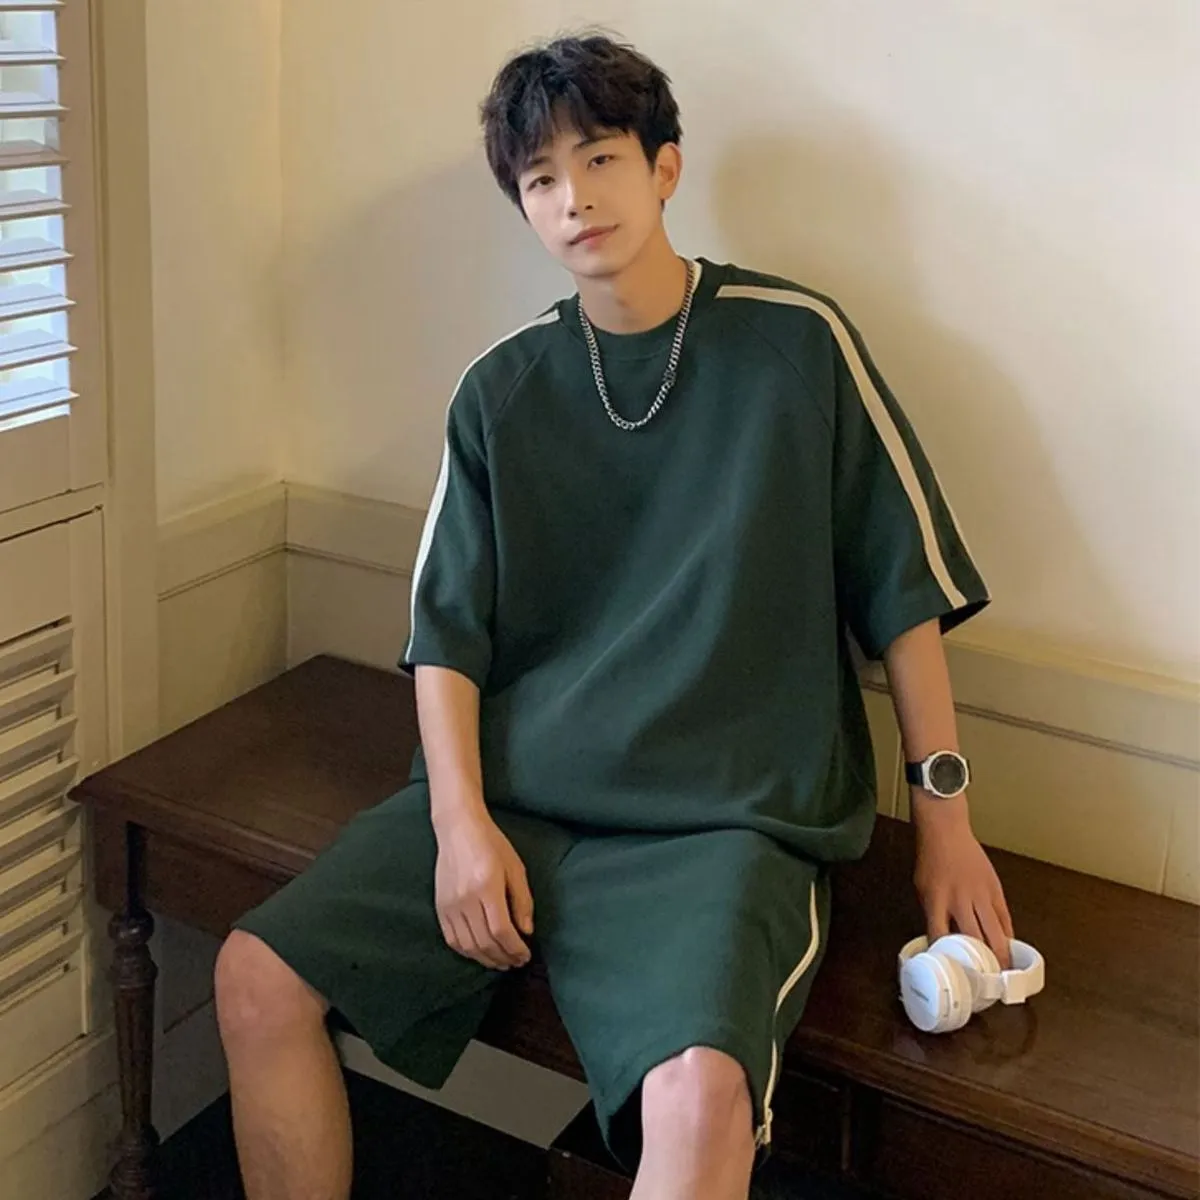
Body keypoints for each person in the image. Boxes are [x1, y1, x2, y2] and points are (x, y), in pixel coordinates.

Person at [214, 31, 1016, 1200]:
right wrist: (458, 824)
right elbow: (447, 638)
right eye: (541, 178)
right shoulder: (501, 389)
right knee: (254, 975)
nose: (575, 198)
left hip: (722, 824)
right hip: (519, 797)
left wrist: (946, 822)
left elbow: (905, 593)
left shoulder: (797, 344)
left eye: (599, 158)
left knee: (698, 1097)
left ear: (665, 167)